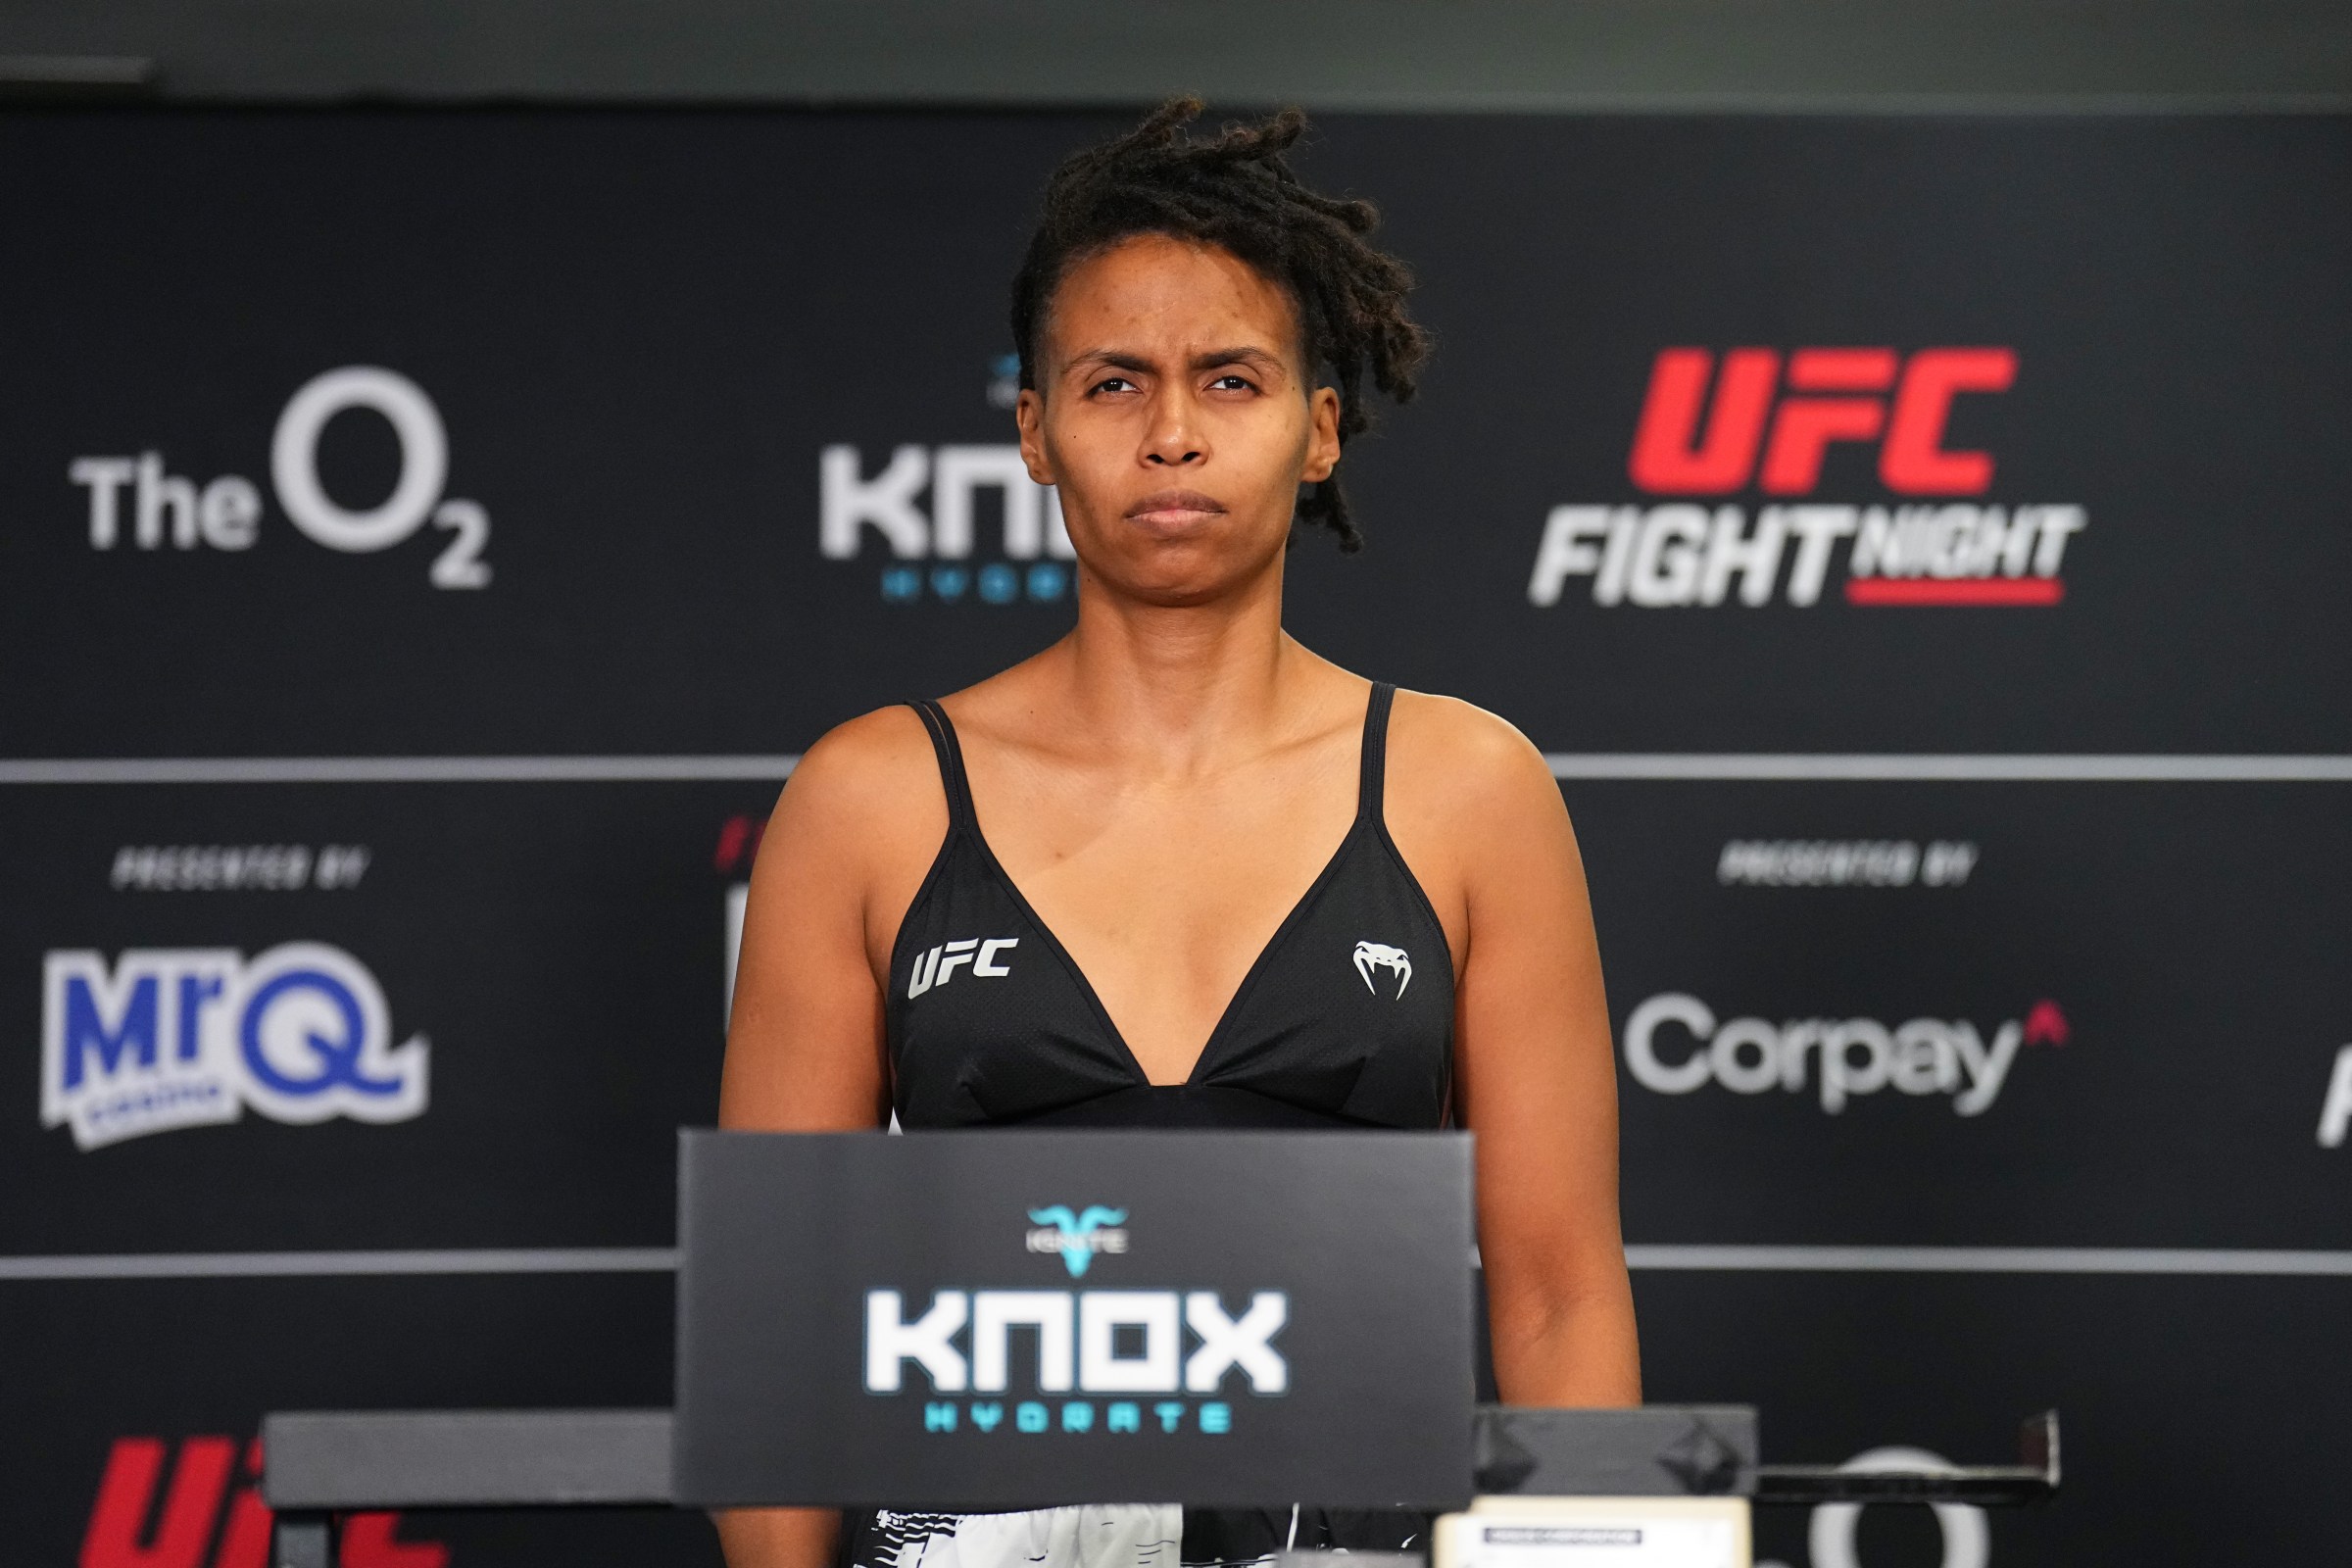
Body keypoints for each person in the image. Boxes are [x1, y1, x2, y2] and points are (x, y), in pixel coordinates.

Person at [717, 99, 1639, 1568]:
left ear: (1318, 429)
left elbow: (1557, 1290)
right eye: (1112, 383)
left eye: (1229, 379)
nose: (1170, 434)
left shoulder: (1469, 789)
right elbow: (780, 1322)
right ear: (1035, 432)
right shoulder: (870, 797)